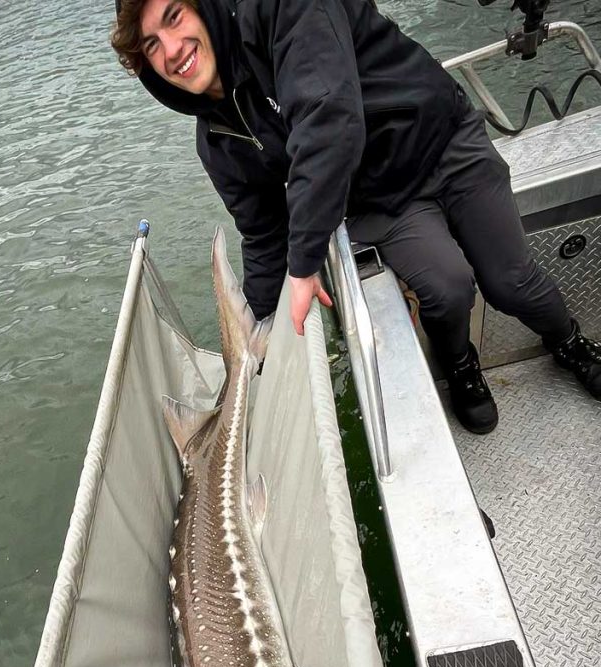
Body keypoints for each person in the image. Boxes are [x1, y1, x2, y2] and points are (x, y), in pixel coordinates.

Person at [110, 0, 601, 433]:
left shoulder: (276, 10)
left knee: (510, 281)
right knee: (449, 287)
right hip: (378, 199)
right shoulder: (217, 141)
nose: (172, 49)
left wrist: (304, 264)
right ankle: (459, 362)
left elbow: (329, 115)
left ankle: (569, 342)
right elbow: (261, 234)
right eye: (152, 44)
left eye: (174, 17)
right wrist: (262, 335)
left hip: (441, 140)